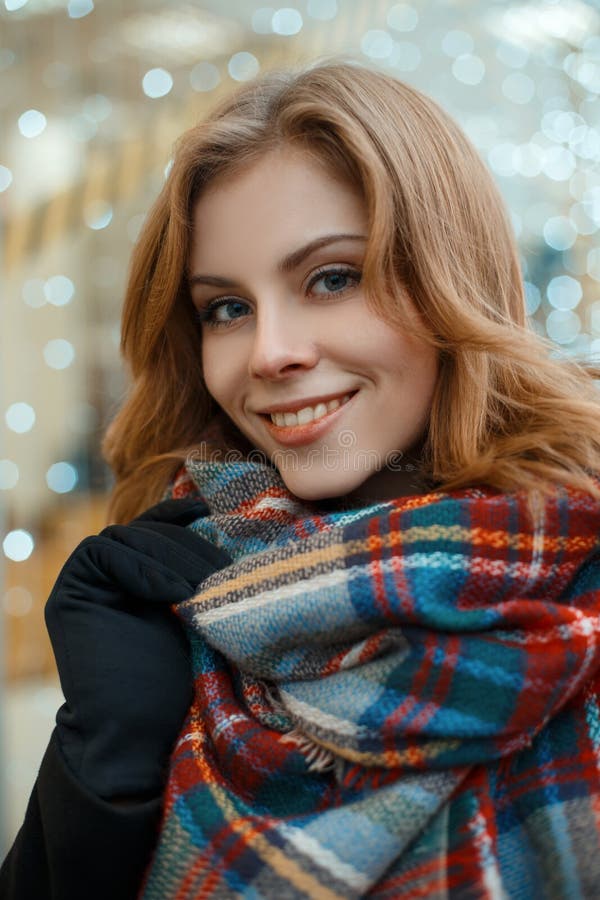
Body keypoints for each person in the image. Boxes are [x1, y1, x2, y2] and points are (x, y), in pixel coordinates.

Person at [3, 58, 600, 900]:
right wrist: (101, 767)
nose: (270, 351)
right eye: (227, 308)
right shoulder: (180, 595)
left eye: (333, 278)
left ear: (449, 280)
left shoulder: (581, 591)